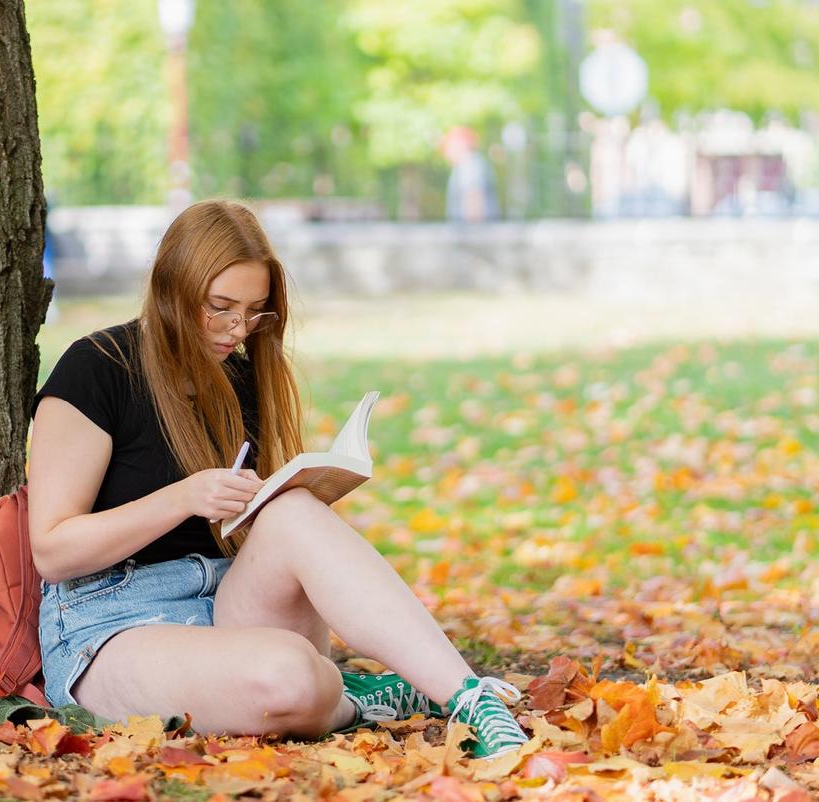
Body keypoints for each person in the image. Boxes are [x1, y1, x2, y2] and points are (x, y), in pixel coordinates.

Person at [27, 199, 528, 758]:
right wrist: (184, 497)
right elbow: (52, 551)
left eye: (254, 312)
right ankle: (360, 700)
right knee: (291, 678)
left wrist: (287, 499)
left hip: (229, 600)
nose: (237, 330)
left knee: (293, 514)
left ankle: (468, 698)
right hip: (111, 623)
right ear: (172, 285)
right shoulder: (98, 367)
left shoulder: (239, 378)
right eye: (219, 307)